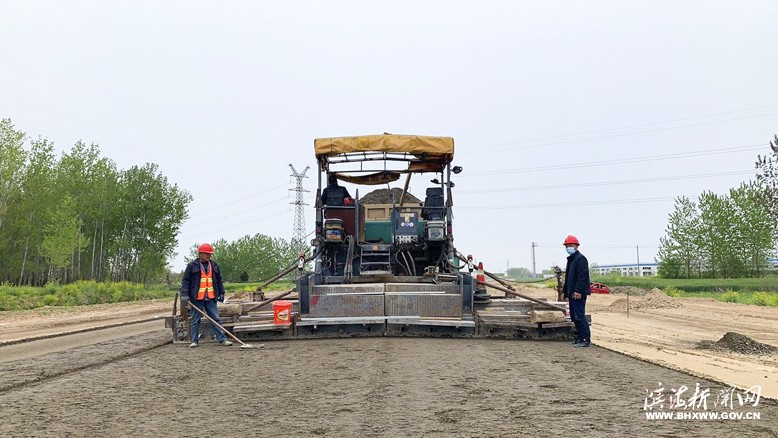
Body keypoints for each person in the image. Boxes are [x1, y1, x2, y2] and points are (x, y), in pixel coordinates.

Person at [181, 243, 232, 347]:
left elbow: (219, 280)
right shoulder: (192, 266)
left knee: (216, 319)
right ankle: (194, 341)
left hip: (211, 297)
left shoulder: (214, 265)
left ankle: (222, 339)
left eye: (210, 254)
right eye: (207, 254)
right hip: (197, 298)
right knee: (195, 320)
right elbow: (186, 281)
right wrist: (185, 294)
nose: (209, 256)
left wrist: (221, 293)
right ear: (200, 254)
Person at [563, 235, 591, 347]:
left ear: (576, 246)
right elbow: (568, 278)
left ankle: (585, 339)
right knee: (574, 317)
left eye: (570, 245)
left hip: (578, 293)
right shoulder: (571, 260)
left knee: (580, 316)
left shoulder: (581, 259)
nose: (568, 247)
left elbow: (582, 276)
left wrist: (578, 291)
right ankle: (579, 338)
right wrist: (565, 292)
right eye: (566, 246)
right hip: (572, 293)